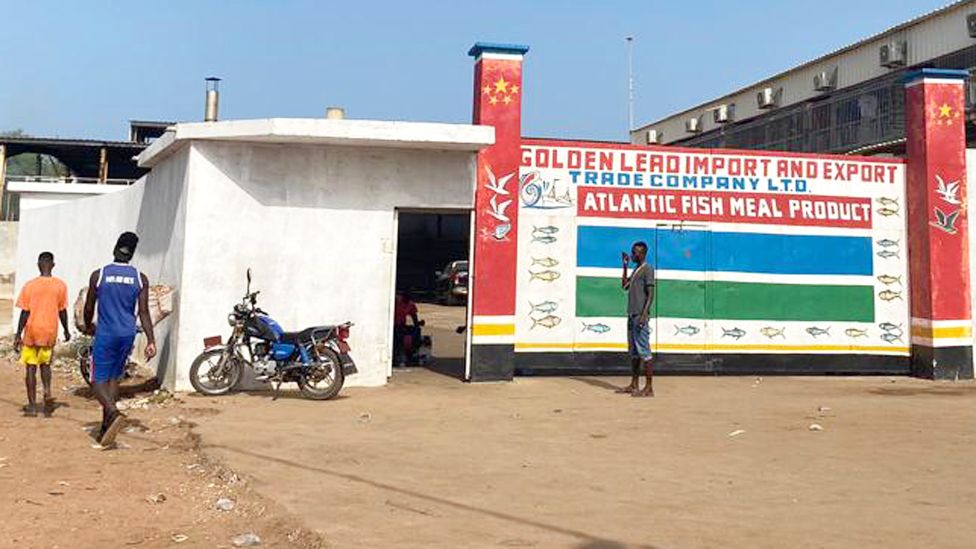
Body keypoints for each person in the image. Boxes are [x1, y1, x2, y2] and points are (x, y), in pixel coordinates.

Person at [82, 232, 156, 447]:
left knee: (96, 379)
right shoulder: (140, 278)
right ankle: (106, 427)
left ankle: (113, 413)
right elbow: (143, 312)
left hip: (106, 333)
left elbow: (89, 306)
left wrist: (88, 325)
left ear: (115, 248)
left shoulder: (100, 274)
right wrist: (151, 340)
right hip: (127, 334)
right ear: (132, 254)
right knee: (114, 377)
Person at [13, 252, 70, 418]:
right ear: (53, 264)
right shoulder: (60, 285)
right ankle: (47, 391)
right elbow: (62, 311)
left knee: (31, 367)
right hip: (50, 330)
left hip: (32, 330)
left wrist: (18, 334)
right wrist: (66, 329)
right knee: (45, 364)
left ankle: (31, 406)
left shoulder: (30, 285)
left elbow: (25, 312)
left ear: (38, 264)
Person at [618, 241, 655, 397]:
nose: (633, 255)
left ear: (642, 254)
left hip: (639, 316)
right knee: (634, 352)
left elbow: (651, 293)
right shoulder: (635, 270)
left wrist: (644, 314)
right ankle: (634, 384)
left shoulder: (647, 270)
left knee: (644, 351)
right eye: (632, 252)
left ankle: (649, 387)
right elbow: (624, 286)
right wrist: (625, 266)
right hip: (631, 315)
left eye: (635, 253)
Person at [393, 290, 425, 367]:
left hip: (401, 325)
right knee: (398, 336)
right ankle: (398, 355)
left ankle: (412, 353)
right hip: (394, 326)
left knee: (416, 331)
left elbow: (414, 318)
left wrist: (418, 324)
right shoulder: (396, 302)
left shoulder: (410, 305)